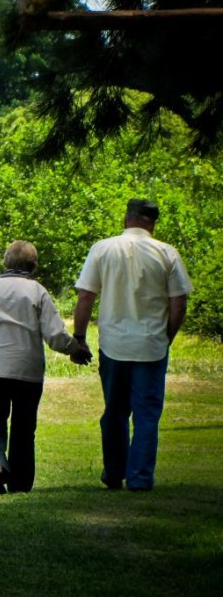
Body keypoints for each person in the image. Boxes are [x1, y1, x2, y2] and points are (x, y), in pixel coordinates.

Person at [73, 198, 192, 492]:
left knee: (114, 411)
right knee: (147, 414)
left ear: (127, 219)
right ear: (152, 223)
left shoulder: (102, 248)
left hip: (114, 344)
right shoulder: (167, 253)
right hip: (151, 345)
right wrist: (167, 337)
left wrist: (79, 338)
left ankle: (114, 472)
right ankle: (139, 477)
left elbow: (86, 296)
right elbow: (179, 303)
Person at [0, 241, 89, 496]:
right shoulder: (37, 291)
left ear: (5, 262)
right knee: (23, 427)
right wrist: (76, 349)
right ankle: (20, 483)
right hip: (27, 371)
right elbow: (55, 334)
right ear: (33, 265)